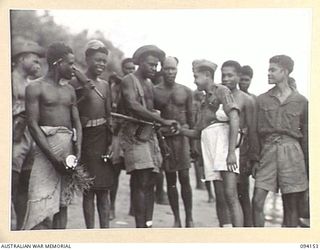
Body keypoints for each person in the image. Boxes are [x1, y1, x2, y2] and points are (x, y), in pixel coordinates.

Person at [22, 42, 82, 230]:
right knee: (40, 201)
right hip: (45, 151)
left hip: (68, 153)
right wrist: (54, 159)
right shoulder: (35, 88)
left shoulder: (70, 90)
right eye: (71, 64)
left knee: (62, 204)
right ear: (58, 63)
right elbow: (32, 124)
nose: (74, 68)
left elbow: (76, 122)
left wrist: (78, 149)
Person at [118, 45, 178, 228]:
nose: (155, 68)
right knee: (141, 180)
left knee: (151, 180)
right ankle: (140, 226)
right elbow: (132, 105)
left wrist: (164, 126)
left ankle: (147, 224)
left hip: (150, 137)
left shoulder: (149, 84)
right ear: (140, 63)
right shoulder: (129, 80)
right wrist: (162, 120)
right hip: (134, 136)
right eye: (151, 64)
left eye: (157, 65)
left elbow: (152, 110)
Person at [180, 59, 243, 227]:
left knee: (231, 195)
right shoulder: (202, 101)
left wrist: (231, 152)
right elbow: (198, 132)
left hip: (223, 146)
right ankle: (226, 232)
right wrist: (179, 130)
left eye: (196, 76)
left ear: (207, 75)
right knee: (220, 196)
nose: (194, 81)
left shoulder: (222, 90)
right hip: (210, 148)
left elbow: (235, 118)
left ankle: (240, 238)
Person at [252, 55, 308, 227]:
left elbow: (306, 136)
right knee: (257, 201)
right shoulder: (261, 99)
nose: (268, 73)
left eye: (272, 70)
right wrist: (255, 158)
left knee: (291, 206)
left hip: (293, 154)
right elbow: (254, 132)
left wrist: (308, 165)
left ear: (285, 71)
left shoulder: (301, 101)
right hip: (268, 151)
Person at [70, 40, 113, 228]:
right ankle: (90, 232)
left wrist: (112, 143)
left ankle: (105, 233)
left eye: (104, 61)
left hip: (103, 138)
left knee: (104, 190)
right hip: (86, 140)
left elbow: (109, 115)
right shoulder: (75, 83)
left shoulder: (104, 85)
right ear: (87, 59)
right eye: (97, 60)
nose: (101, 64)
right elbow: (70, 109)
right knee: (89, 189)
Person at [154, 56, 194, 227]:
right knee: (170, 180)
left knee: (184, 178)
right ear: (162, 69)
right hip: (165, 139)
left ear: (177, 70)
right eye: (167, 69)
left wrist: (193, 146)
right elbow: (153, 118)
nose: (170, 72)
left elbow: (191, 119)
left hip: (182, 137)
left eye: (173, 69)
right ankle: (177, 218)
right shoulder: (155, 91)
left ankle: (189, 218)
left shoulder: (186, 91)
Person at [11, 40, 44, 230]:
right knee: (10, 182)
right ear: (21, 58)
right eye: (34, 60)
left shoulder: (31, 84)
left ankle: (21, 229)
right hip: (13, 138)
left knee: (25, 184)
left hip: (30, 138)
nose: (37, 65)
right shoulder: (9, 80)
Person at [222, 61, 258, 227]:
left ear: (237, 76)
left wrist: (253, 158)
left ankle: (247, 232)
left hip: (240, 151)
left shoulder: (247, 100)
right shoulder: (221, 95)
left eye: (230, 75)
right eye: (224, 75)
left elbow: (252, 130)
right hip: (223, 149)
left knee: (242, 192)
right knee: (227, 194)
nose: (226, 78)